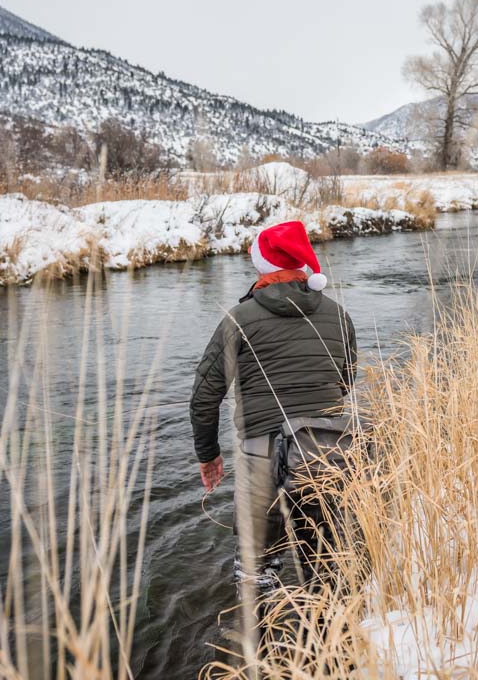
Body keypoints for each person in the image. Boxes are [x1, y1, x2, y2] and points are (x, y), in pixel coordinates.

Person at [189, 220, 357, 651]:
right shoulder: (339, 314)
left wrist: (209, 457)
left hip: (263, 457)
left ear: (263, 269)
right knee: (325, 565)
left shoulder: (239, 319)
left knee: (255, 570)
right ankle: (327, 653)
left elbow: (204, 397)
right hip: (329, 455)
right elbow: (346, 382)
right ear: (302, 268)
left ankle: (260, 654)